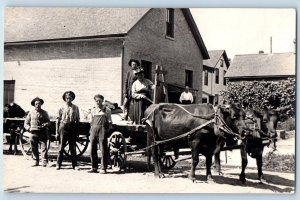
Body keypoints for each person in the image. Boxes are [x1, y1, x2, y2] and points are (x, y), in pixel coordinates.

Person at [56, 91, 80, 170]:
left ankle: (74, 165)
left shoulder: (76, 107)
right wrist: (57, 132)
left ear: (72, 98)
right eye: (67, 98)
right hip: (63, 127)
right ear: (65, 99)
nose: (68, 99)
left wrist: (76, 130)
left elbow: (77, 119)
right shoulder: (61, 108)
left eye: (70, 98)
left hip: (72, 127)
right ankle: (58, 164)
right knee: (61, 146)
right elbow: (58, 120)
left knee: (72, 147)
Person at [88, 94, 112, 174]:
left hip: (102, 129)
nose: (98, 102)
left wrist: (106, 130)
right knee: (92, 148)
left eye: (99, 100)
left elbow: (109, 122)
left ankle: (103, 168)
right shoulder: (93, 110)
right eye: (96, 101)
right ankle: (94, 167)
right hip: (94, 129)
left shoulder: (107, 110)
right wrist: (91, 131)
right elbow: (91, 122)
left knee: (103, 149)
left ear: (102, 101)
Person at [24, 97, 50, 167]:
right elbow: (26, 123)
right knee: (34, 147)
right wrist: (29, 128)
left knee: (43, 147)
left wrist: (46, 124)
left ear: (41, 104)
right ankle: (36, 161)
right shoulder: (30, 113)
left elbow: (48, 122)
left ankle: (44, 161)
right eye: (36, 104)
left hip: (42, 132)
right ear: (34, 105)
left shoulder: (44, 113)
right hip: (33, 133)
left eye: (39, 104)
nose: (38, 105)